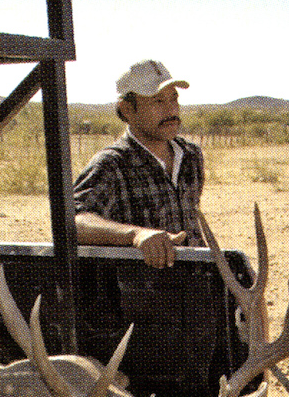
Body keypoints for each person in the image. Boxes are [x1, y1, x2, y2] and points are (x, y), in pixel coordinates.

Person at [73, 59, 205, 269]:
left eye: (174, 99)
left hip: (196, 280)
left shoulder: (190, 155)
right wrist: (136, 234)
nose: (171, 111)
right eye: (158, 101)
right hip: (141, 288)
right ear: (126, 110)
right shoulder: (112, 164)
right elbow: (71, 222)